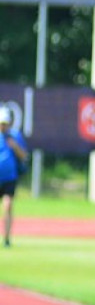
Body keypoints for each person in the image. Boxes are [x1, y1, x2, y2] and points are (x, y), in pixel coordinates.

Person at [0, 106, 28, 248]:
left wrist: (15, 146)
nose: (2, 126)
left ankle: (7, 238)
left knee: (8, 205)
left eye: (5, 123)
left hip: (10, 177)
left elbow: (24, 156)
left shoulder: (15, 136)